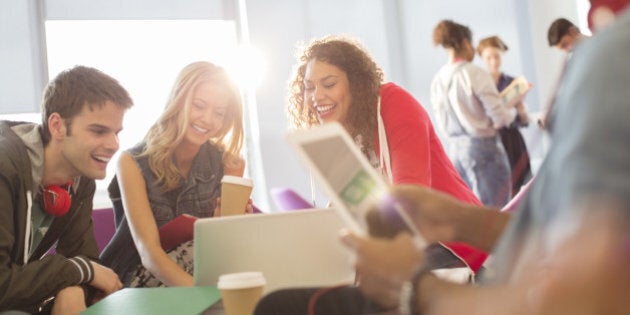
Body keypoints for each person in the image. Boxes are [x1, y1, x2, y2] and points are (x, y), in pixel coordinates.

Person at [338, 5, 630, 314]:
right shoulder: (609, 53)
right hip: (487, 148)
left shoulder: (612, 54)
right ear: (468, 44)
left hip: (466, 151)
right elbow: (560, 237)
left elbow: (584, 288)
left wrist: (417, 290)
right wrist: (458, 220)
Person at [254, 35, 488, 315]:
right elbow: (356, 209)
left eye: (329, 84)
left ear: (357, 83)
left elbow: (410, 200)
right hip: (399, 243)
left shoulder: (394, 102)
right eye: (308, 87)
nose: (316, 97)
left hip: (448, 243)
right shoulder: (344, 130)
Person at [100, 61, 251, 288]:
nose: (207, 120)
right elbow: (149, 254)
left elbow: (226, 249)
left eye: (219, 113)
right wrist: (203, 297)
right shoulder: (131, 162)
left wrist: (229, 225)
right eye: (199, 106)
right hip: (139, 275)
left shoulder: (230, 163)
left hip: (203, 269)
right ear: (178, 101)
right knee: (197, 252)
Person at [0, 66, 133, 314]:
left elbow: (86, 259)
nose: (114, 144)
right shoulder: (5, 167)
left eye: (116, 133)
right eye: (98, 130)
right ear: (57, 125)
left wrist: (72, 289)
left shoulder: (80, 179)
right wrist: (80, 272)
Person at [430, 20, 518, 207]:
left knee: (471, 216)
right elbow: (501, 118)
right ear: (466, 43)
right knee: (496, 214)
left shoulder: (438, 80)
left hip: (455, 153)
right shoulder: (475, 73)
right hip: (484, 150)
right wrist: (512, 111)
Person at [477, 35, 532, 196]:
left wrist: (522, 112)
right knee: (500, 189)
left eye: (497, 56)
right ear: (482, 58)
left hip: (513, 139)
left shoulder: (513, 82)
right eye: (489, 57)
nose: (493, 61)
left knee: (523, 187)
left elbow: (523, 121)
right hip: (492, 140)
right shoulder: (480, 84)